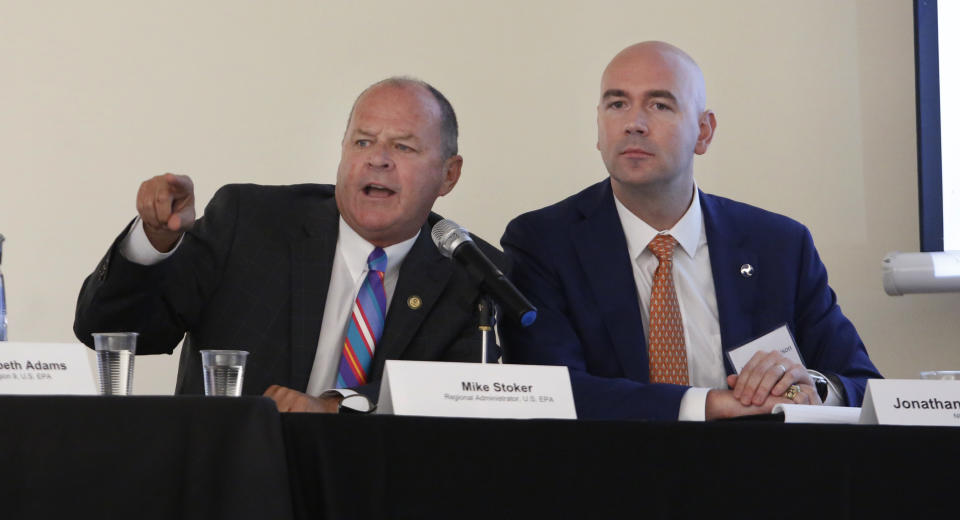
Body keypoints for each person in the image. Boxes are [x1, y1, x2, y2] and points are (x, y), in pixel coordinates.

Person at [499, 42, 882, 421]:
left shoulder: (778, 245)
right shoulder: (544, 243)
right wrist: (709, 405)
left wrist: (812, 386)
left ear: (704, 132)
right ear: (599, 128)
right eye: (617, 104)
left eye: (659, 105)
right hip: (609, 472)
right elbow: (549, 392)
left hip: (757, 474)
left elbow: (863, 386)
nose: (634, 123)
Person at [74, 77, 504, 412]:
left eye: (403, 146)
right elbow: (115, 330)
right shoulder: (249, 223)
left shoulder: (474, 274)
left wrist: (339, 407)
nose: (377, 159)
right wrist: (156, 239)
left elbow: (462, 397)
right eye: (362, 141)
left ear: (449, 175)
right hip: (232, 485)